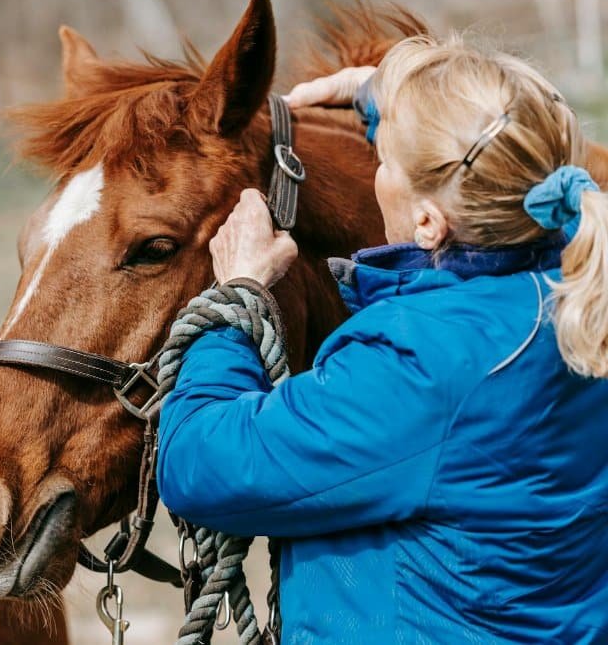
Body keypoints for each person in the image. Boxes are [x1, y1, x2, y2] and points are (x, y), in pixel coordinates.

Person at [156, 33, 608, 644]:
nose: (379, 172)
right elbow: (496, 143)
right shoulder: (574, 287)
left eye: (387, 161)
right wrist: (378, 97)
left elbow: (200, 463)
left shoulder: (421, 363)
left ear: (427, 220)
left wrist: (238, 296)